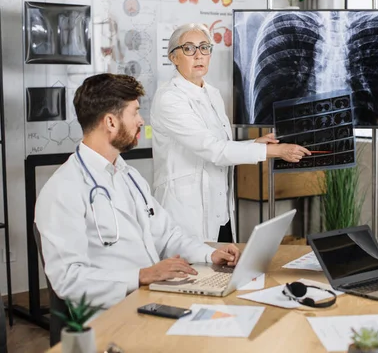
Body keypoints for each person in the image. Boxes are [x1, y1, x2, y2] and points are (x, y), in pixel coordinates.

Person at [35, 73, 240, 309]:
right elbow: (68, 281)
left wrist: (209, 255)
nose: (141, 121)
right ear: (111, 122)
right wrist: (141, 276)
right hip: (110, 314)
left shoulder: (129, 176)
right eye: (134, 113)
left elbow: (167, 236)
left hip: (152, 297)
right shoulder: (62, 189)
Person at [151, 23, 310, 243]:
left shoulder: (212, 94)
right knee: (195, 272)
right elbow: (214, 150)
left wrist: (255, 141)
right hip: (187, 212)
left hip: (221, 209)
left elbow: (220, 144)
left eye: (204, 47)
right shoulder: (169, 98)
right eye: (189, 49)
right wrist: (274, 151)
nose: (198, 55)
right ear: (173, 57)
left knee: (222, 270)